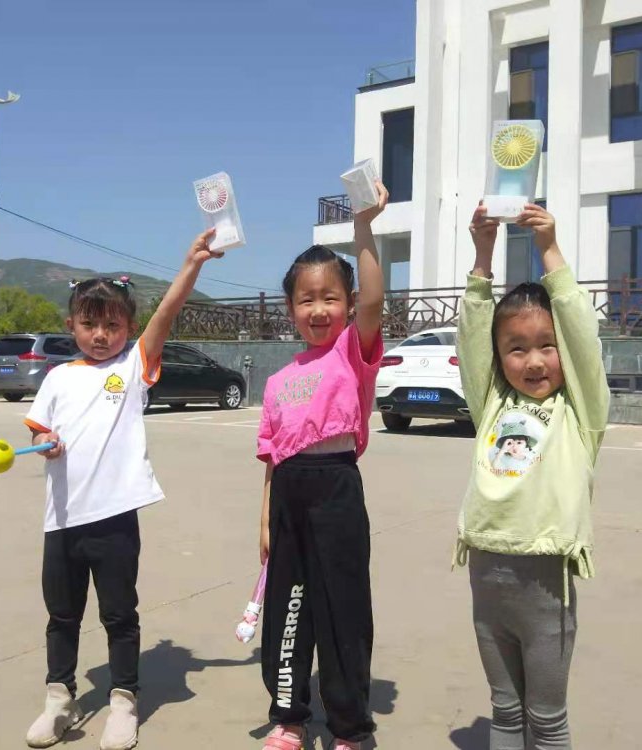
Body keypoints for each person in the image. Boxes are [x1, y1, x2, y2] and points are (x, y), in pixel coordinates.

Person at [22, 230, 222, 750]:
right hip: (62, 520)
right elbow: (39, 430)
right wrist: (44, 443)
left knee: (118, 615)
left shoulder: (132, 368)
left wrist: (191, 264)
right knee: (61, 616)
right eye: (89, 324)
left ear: (129, 329)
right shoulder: (58, 378)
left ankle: (123, 701)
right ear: (71, 325)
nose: (100, 335)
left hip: (113, 520)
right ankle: (59, 700)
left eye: (112, 326)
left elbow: (167, 313)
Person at [453, 203, 610, 749]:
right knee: (504, 707)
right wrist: (482, 255)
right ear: (499, 359)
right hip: (486, 571)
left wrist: (550, 251)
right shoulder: (492, 404)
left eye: (547, 345)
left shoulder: (580, 411)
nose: (535, 361)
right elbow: (472, 335)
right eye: (516, 349)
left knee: (545, 717)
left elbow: (582, 337)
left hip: (546, 582)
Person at [255, 181, 389, 750]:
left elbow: (376, 301)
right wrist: (264, 518)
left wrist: (363, 227)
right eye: (306, 300)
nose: (318, 309)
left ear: (348, 304)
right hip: (288, 494)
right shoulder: (277, 381)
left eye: (330, 297)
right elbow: (272, 458)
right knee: (288, 610)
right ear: (290, 309)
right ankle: (288, 716)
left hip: (336, 489)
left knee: (342, 609)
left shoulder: (350, 352)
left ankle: (349, 727)